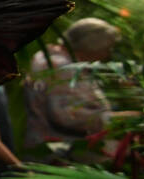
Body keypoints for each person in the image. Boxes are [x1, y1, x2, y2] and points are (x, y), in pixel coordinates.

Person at [24, 18, 126, 154]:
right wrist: (117, 119)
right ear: (92, 45)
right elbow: (66, 116)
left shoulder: (53, 57)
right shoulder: (62, 66)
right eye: (107, 49)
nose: (107, 55)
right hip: (59, 155)